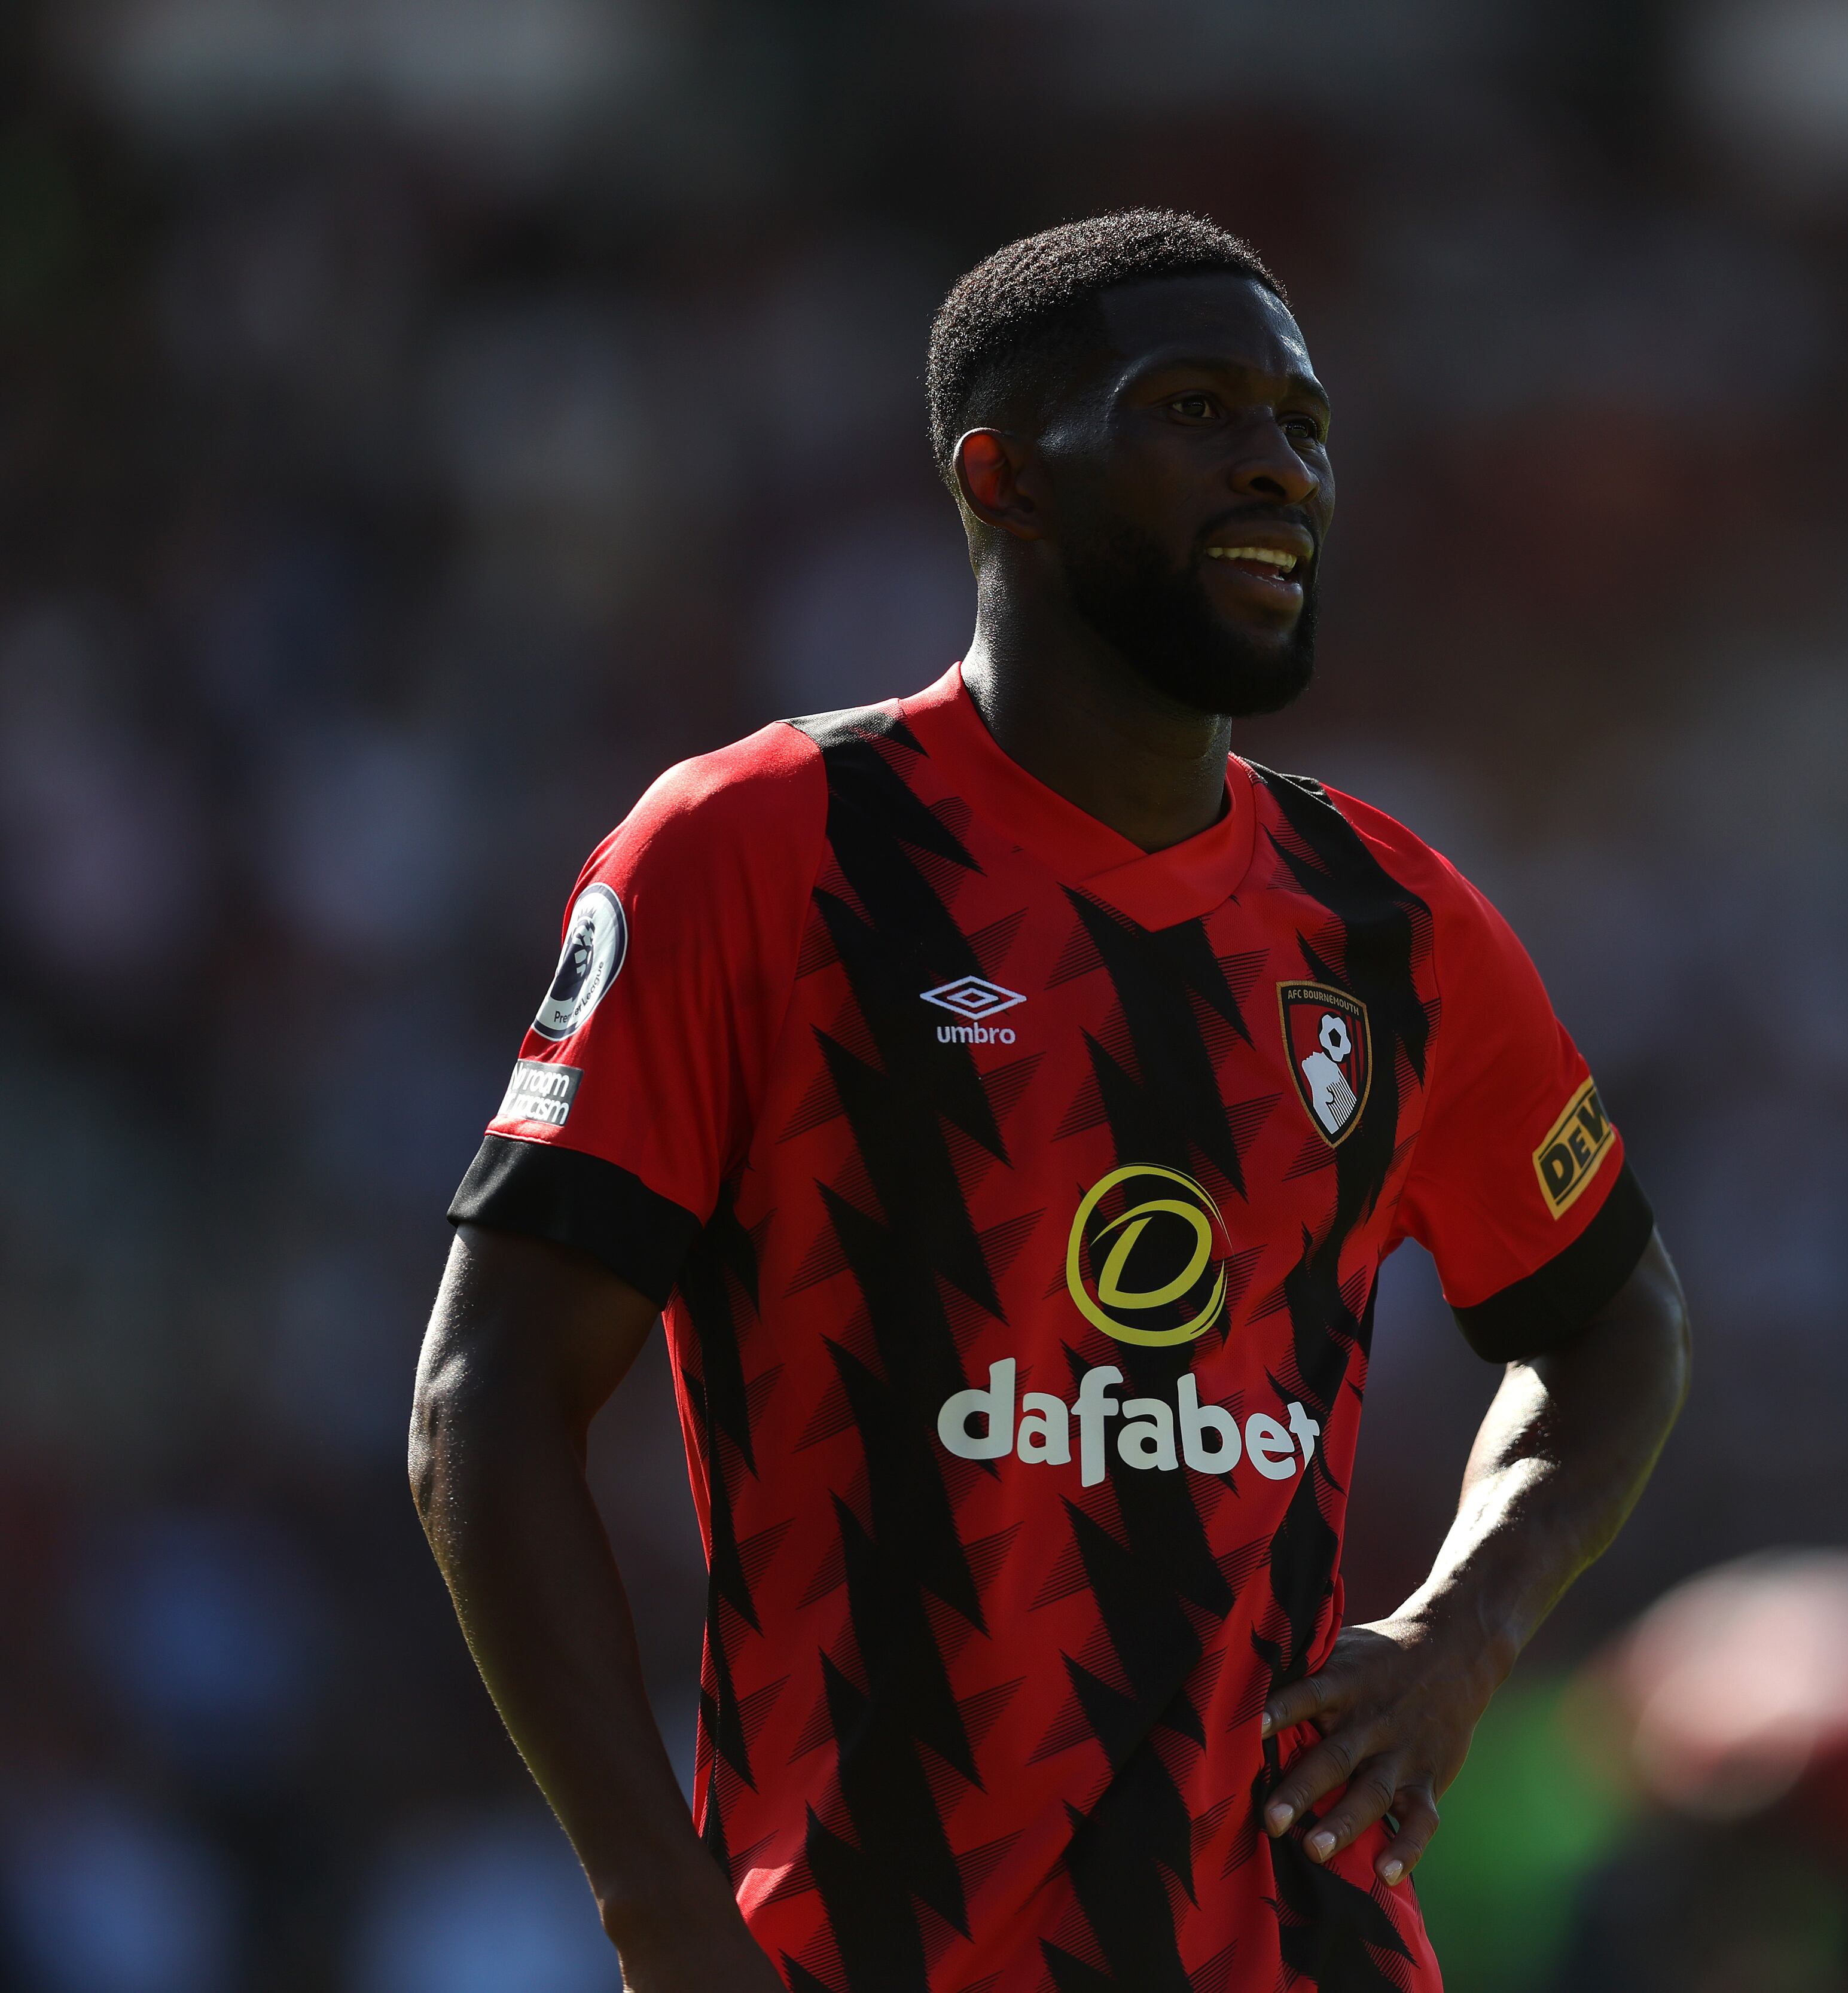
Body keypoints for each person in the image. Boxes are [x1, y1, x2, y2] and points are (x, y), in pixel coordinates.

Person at [407, 210, 1691, 1993]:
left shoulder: (1392, 926)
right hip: (868, 1942)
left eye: (1303, 425)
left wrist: (1461, 1631)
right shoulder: (764, 855)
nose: (1278, 465)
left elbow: (1616, 1325)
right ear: (1002, 479)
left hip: (1291, 1948)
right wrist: (658, 1911)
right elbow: (484, 1405)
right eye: (1196, 410)